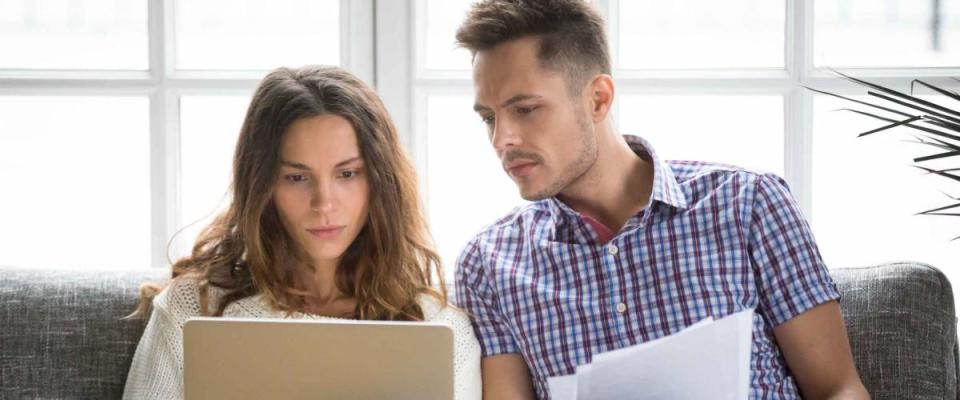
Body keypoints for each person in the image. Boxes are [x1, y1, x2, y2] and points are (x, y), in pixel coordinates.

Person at [452, 1, 869, 399]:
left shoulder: (750, 204)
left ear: (597, 99)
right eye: (488, 117)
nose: (500, 138)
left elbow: (838, 390)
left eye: (524, 109)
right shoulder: (489, 263)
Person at [122, 66, 481, 400]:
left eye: (347, 174)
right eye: (297, 177)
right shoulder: (194, 307)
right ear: (263, 186)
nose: (324, 203)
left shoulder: (440, 327)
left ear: (380, 182)